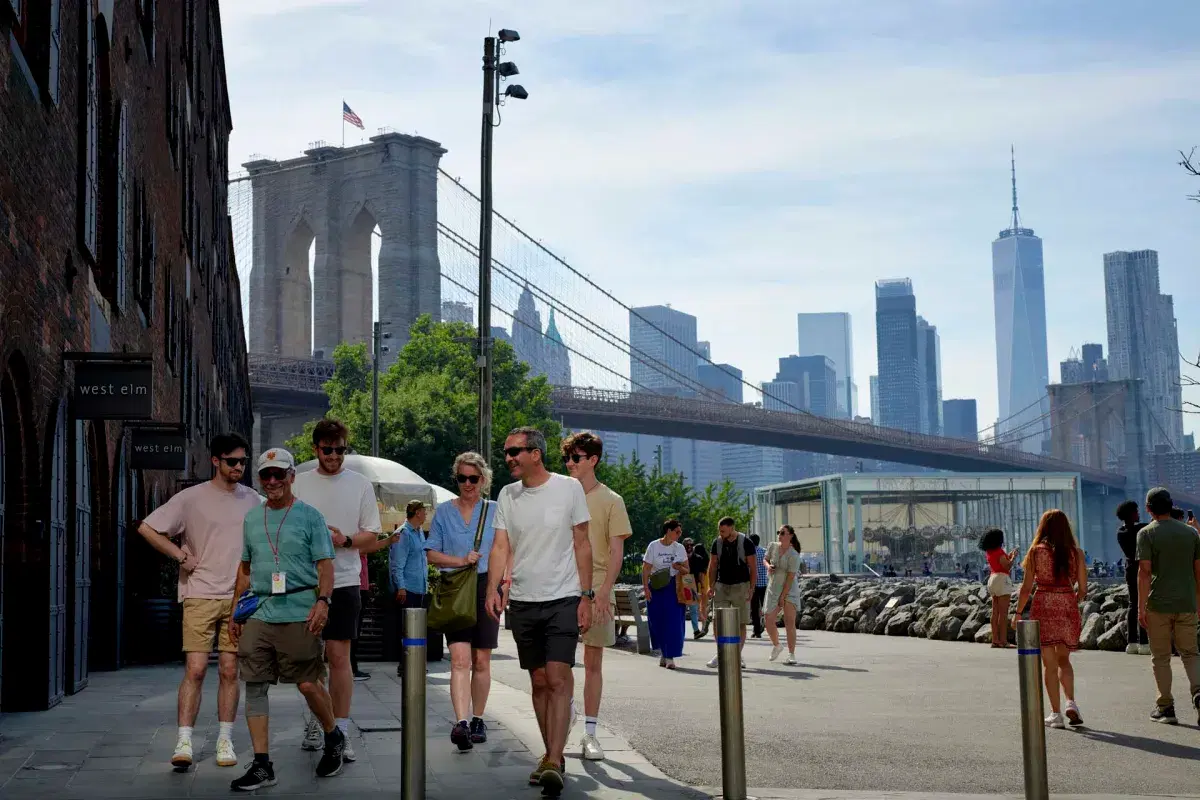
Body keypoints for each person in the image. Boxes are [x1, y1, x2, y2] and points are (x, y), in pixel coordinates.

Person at [137, 433, 262, 770]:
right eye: (232, 461)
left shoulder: (254, 500)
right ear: (216, 461)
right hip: (199, 593)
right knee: (194, 669)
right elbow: (147, 528)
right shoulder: (190, 498)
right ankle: (184, 740)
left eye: (243, 461)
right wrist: (179, 555)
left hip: (239, 598)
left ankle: (225, 739)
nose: (239, 467)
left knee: (229, 669)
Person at [227, 448, 345, 790]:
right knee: (254, 685)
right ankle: (263, 765)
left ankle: (333, 735)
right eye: (267, 475)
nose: (274, 481)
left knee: (308, 683)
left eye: (280, 474)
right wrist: (236, 609)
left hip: (299, 611)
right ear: (260, 480)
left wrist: (323, 601)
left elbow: (325, 566)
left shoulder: (310, 517)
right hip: (260, 612)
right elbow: (245, 570)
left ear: (292, 476)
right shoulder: (252, 518)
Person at [485, 427, 592, 796]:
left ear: (536, 454)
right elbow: (500, 546)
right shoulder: (507, 495)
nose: (509, 458)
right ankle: (552, 755)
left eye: (515, 452)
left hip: (563, 597)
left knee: (559, 678)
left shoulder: (569, 488)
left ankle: (554, 758)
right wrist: (493, 589)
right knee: (539, 681)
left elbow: (581, 542)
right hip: (524, 601)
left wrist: (587, 596)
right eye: (506, 452)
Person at [291, 419, 389, 762]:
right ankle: (319, 722)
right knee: (307, 660)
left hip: (345, 582)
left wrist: (343, 539)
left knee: (338, 658)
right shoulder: (299, 484)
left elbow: (372, 537)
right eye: (328, 449)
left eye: (340, 450)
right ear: (316, 448)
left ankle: (341, 730)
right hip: (303, 584)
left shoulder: (360, 485)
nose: (334, 456)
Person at [562, 432, 633, 761]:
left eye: (576, 458)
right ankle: (569, 710)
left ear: (593, 460)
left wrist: (604, 593)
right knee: (558, 664)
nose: (570, 464)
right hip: (561, 585)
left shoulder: (611, 500)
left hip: (598, 586)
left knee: (592, 662)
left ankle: (590, 735)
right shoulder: (559, 494)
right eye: (567, 458)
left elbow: (616, 552)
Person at [426, 451, 504, 751]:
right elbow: (431, 553)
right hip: (456, 587)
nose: (467, 483)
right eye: (462, 478)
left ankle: (478, 719)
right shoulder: (444, 511)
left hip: (487, 585)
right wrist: (460, 560)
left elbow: (505, 550)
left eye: (473, 478)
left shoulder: (496, 510)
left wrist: (502, 585)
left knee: (481, 660)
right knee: (460, 660)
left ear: (483, 480)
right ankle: (460, 723)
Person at [1015, 510, 1086, 730]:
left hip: (1044, 602)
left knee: (1049, 663)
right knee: (1064, 659)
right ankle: (1071, 701)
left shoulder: (1036, 552)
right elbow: (1083, 589)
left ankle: (1056, 714)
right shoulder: (1076, 553)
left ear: (1043, 527)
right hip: (1066, 601)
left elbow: (1027, 588)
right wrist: (1071, 599)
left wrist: (1018, 613)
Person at [1136, 487, 1200, 725]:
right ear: (1171, 505)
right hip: (1186, 603)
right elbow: (1198, 572)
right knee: (1191, 654)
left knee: (1161, 657)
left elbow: (1144, 572)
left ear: (1148, 509)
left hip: (1158, 604)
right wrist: (1198, 603)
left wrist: (1141, 607)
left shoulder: (1146, 534)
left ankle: (1166, 707)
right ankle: (1199, 694)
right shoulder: (1191, 534)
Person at [705, 517, 756, 668]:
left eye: (723, 531)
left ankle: (737, 654)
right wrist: (711, 585)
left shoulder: (746, 542)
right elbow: (713, 565)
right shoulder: (717, 542)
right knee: (716, 621)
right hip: (721, 586)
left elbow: (753, 568)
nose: (720, 534)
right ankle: (721, 653)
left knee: (740, 622)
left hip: (741, 586)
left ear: (732, 528)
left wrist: (751, 588)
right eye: (719, 531)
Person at [642, 519, 689, 670]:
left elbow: (687, 570)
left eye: (680, 532)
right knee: (657, 621)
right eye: (677, 532)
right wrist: (645, 588)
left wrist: (679, 567)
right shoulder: (654, 546)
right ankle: (663, 652)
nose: (679, 534)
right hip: (655, 586)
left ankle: (670, 656)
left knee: (674, 622)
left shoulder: (679, 548)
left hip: (673, 588)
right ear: (668, 531)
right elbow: (646, 568)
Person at [389, 500, 429, 678]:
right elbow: (397, 564)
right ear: (417, 512)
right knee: (406, 629)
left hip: (420, 588)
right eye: (424, 511)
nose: (426, 514)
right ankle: (404, 664)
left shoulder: (419, 532)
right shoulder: (403, 534)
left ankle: (416, 662)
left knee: (418, 628)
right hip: (408, 589)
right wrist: (401, 588)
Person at [764, 525, 803, 664]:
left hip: (789, 589)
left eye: (782, 533)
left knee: (789, 622)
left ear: (790, 535)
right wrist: (769, 566)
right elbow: (766, 559)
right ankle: (777, 645)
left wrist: (782, 597)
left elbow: (790, 578)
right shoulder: (772, 546)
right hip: (773, 587)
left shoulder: (794, 555)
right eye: (778, 532)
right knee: (768, 619)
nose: (779, 535)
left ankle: (791, 654)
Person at [1116, 500, 1150, 655]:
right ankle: (1144, 642)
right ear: (1131, 513)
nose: (1138, 513)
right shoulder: (1141, 529)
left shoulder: (1120, 532)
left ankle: (1132, 642)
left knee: (1133, 604)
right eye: (1136, 511)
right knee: (1144, 603)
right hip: (1142, 568)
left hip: (1129, 569)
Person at [978, 528, 1018, 649]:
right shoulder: (1000, 552)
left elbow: (1000, 563)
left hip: (992, 579)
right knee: (1003, 613)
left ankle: (995, 640)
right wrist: (1013, 557)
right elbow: (1007, 566)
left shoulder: (989, 552)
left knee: (995, 612)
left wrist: (1008, 556)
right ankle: (1003, 641)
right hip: (1001, 579)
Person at [750, 533, 768, 638]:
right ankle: (765, 625)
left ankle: (756, 630)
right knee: (766, 608)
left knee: (754, 609)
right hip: (765, 584)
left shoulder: (749, 553)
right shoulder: (764, 552)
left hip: (754, 585)